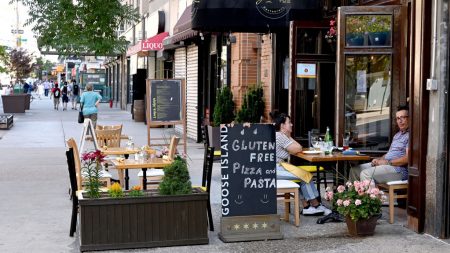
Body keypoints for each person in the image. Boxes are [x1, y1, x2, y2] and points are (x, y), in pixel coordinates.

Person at [270, 111, 331, 216]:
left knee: (302, 175)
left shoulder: (281, 135)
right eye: (289, 122)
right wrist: (289, 136)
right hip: (273, 169)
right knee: (304, 176)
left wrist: (288, 135)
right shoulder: (280, 136)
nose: (292, 124)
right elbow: (298, 148)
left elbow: (297, 148)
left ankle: (307, 207)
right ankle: (315, 205)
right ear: (282, 125)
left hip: (278, 167)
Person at [349, 105, 409, 183]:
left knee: (366, 174)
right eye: (398, 118)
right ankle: (354, 195)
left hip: (398, 170)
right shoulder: (397, 135)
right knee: (354, 171)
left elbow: (408, 158)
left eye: (403, 117)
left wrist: (387, 162)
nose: (400, 121)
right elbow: (389, 153)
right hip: (387, 165)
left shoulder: (412, 135)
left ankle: (371, 195)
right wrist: (379, 160)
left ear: (409, 118)